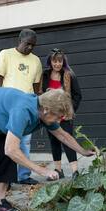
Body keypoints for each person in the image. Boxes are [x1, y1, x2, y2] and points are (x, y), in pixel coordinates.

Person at [0, 28, 42, 185]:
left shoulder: (36, 61)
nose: (30, 48)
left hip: (27, 107)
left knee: (25, 142)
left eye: (33, 45)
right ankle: (6, 179)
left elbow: (36, 87)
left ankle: (24, 176)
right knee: (7, 143)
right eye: (28, 44)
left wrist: (36, 105)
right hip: (7, 106)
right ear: (19, 41)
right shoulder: (6, 54)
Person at [40, 48, 82, 180]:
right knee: (54, 142)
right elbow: (40, 93)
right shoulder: (45, 75)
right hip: (50, 115)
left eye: (60, 61)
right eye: (54, 61)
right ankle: (58, 170)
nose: (57, 64)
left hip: (65, 116)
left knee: (68, 141)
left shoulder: (69, 74)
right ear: (50, 62)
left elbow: (77, 95)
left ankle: (75, 172)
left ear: (63, 62)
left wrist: (68, 110)